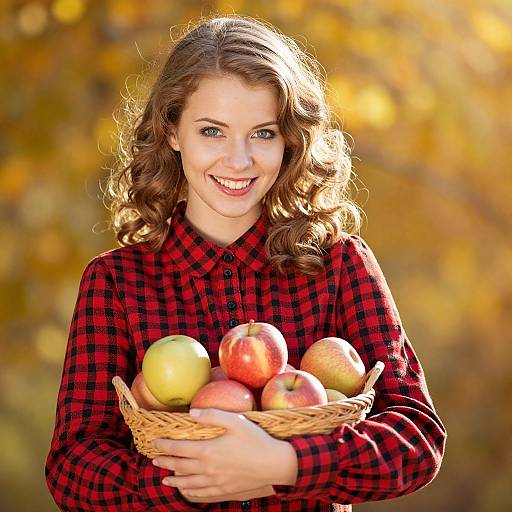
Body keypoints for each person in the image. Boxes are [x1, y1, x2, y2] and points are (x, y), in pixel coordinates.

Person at [45, 13, 446, 512]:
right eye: (212, 131)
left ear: (289, 141)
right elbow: (71, 467)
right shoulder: (116, 283)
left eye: (263, 134)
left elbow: (416, 439)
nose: (238, 161)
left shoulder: (341, 265)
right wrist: (191, 479)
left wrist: (285, 465)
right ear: (172, 131)